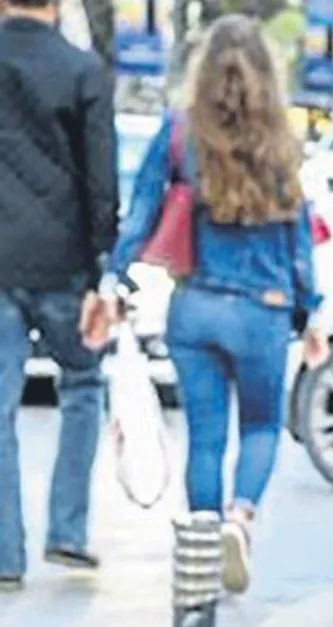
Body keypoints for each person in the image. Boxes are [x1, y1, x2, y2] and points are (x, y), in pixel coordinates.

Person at [100, 14, 329, 595]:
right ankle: (239, 520)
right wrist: (311, 311)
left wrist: (113, 278)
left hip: (194, 307)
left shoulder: (180, 133)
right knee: (261, 426)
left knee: (205, 437)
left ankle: (202, 548)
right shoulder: (283, 138)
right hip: (262, 310)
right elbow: (298, 239)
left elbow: (142, 211)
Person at [0, 0, 118, 594]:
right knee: (83, 384)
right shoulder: (83, 71)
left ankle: (4, 553)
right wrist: (102, 271)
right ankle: (67, 530)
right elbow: (101, 181)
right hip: (65, 264)